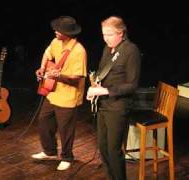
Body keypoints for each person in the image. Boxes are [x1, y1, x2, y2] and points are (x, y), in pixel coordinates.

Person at [86, 16, 141, 179]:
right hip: (103, 105)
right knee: (103, 148)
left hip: (118, 107)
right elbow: (102, 75)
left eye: (109, 34)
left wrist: (105, 91)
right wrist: (94, 88)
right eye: (103, 34)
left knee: (113, 150)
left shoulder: (131, 50)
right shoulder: (107, 49)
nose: (106, 38)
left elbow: (132, 85)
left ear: (121, 33)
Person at [31, 16, 87, 171]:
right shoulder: (56, 42)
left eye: (58, 30)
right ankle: (49, 151)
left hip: (68, 97)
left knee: (66, 130)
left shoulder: (78, 51)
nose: (55, 31)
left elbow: (76, 79)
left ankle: (67, 157)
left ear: (67, 33)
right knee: (44, 121)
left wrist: (59, 76)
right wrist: (42, 68)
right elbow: (47, 54)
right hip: (53, 92)